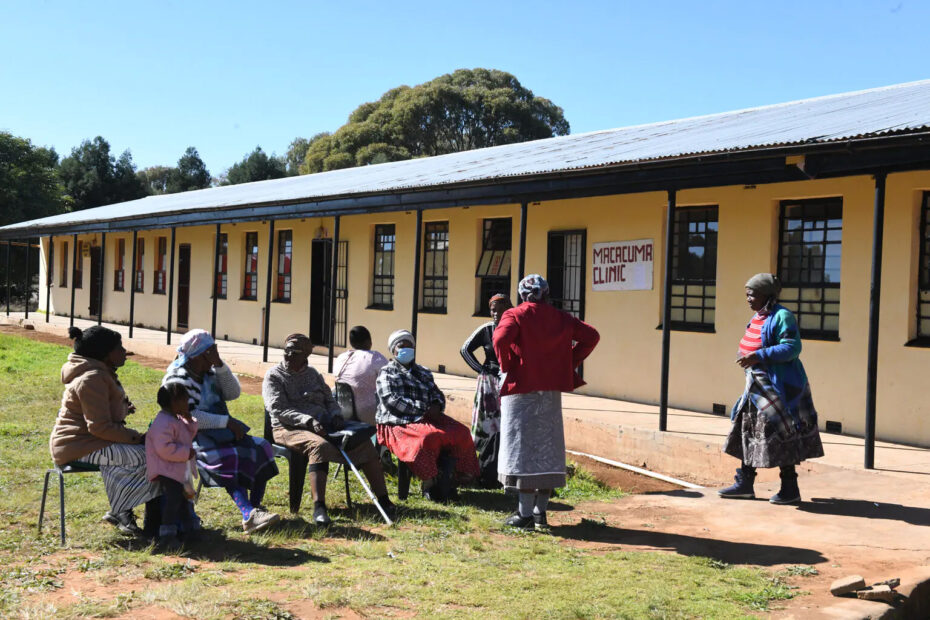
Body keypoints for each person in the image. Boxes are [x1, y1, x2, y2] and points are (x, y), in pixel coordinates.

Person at [493, 274, 599, 530]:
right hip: (550, 393)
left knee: (523, 453)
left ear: (522, 295)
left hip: (521, 393)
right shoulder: (561, 317)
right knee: (547, 452)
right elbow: (592, 336)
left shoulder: (515, 315)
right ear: (547, 293)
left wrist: (508, 364)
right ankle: (541, 514)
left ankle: (524, 515)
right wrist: (568, 362)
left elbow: (499, 340)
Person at [263, 333, 395, 525]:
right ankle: (319, 508)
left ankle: (384, 501)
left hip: (323, 424)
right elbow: (278, 409)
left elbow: (330, 399)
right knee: (320, 446)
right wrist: (307, 421)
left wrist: (335, 415)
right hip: (288, 428)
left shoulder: (313, 375)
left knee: (364, 444)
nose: (289, 355)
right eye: (287, 351)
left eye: (295, 352)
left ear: (306, 356)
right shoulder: (274, 376)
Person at [719, 273, 824, 504]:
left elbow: (792, 347)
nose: (748, 298)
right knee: (748, 432)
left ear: (767, 295)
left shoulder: (782, 316)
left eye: (752, 293)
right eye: (747, 293)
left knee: (781, 434)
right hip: (756, 387)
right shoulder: (758, 316)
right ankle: (744, 483)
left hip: (777, 389)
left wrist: (758, 355)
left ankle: (790, 488)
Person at [162, 329, 280, 534]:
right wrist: (225, 422)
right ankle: (248, 513)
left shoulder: (209, 372)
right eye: (212, 350)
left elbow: (233, 393)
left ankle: (255, 508)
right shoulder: (178, 378)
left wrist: (219, 365)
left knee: (262, 448)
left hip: (222, 430)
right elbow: (186, 415)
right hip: (192, 436)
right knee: (227, 457)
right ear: (200, 354)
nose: (216, 353)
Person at [49, 326, 161, 535]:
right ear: (105, 354)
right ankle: (130, 514)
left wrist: (123, 410)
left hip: (92, 442)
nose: (124, 351)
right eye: (119, 348)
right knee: (149, 456)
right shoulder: (92, 377)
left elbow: (101, 416)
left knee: (149, 455)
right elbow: (99, 426)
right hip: (77, 446)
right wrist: (136, 438)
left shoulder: (100, 373)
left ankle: (124, 511)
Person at [376, 329, 480, 501]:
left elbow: (436, 393)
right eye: (402, 346)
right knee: (428, 438)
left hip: (429, 417)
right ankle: (429, 482)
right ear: (393, 350)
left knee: (461, 432)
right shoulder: (387, 372)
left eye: (410, 346)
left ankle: (453, 479)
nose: (406, 349)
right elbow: (391, 401)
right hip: (398, 421)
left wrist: (437, 405)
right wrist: (423, 409)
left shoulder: (423, 372)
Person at [460, 293, 512, 487]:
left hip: (510, 383)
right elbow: (465, 349)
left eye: (501, 309)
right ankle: (485, 465)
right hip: (489, 385)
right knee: (490, 425)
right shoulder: (487, 329)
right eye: (493, 310)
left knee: (506, 424)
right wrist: (481, 370)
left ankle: (504, 466)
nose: (496, 313)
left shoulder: (516, 328)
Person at [146, 382, 200, 551]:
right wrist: (186, 453)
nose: (187, 403)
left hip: (176, 469)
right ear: (173, 402)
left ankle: (188, 529)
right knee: (173, 499)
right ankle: (167, 535)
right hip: (166, 469)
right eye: (184, 400)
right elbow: (164, 448)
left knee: (185, 499)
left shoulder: (176, 419)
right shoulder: (163, 422)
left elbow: (187, 433)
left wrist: (189, 419)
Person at [333, 326, 389, 426]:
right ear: (369, 341)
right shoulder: (374, 357)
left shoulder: (341, 357)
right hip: (368, 414)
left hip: (343, 411)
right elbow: (390, 378)